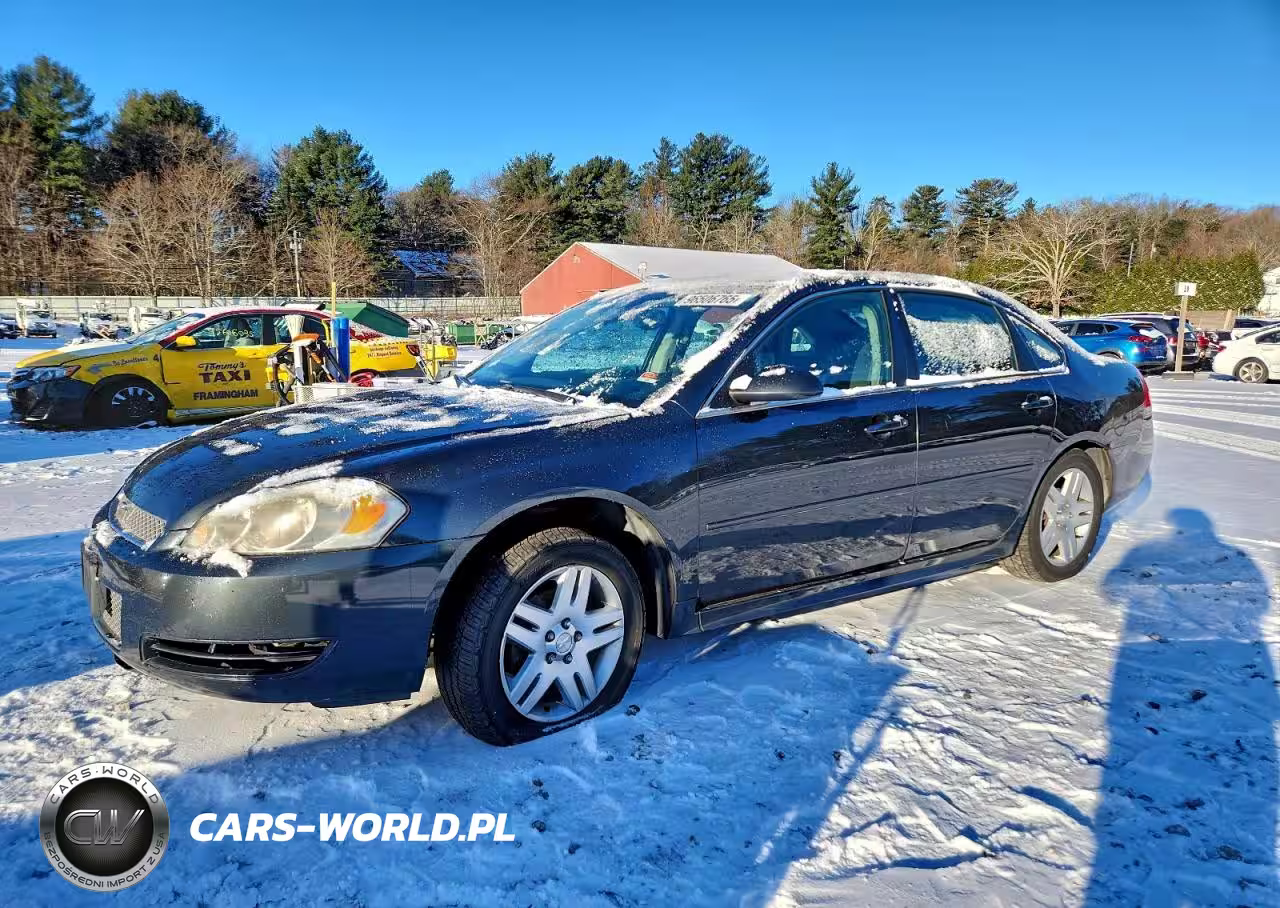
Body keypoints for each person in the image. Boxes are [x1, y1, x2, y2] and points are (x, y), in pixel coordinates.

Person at [1084, 508, 1277, 905]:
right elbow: (1260, 602)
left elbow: (1111, 587)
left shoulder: (1154, 551)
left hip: (1151, 660)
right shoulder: (1234, 558)